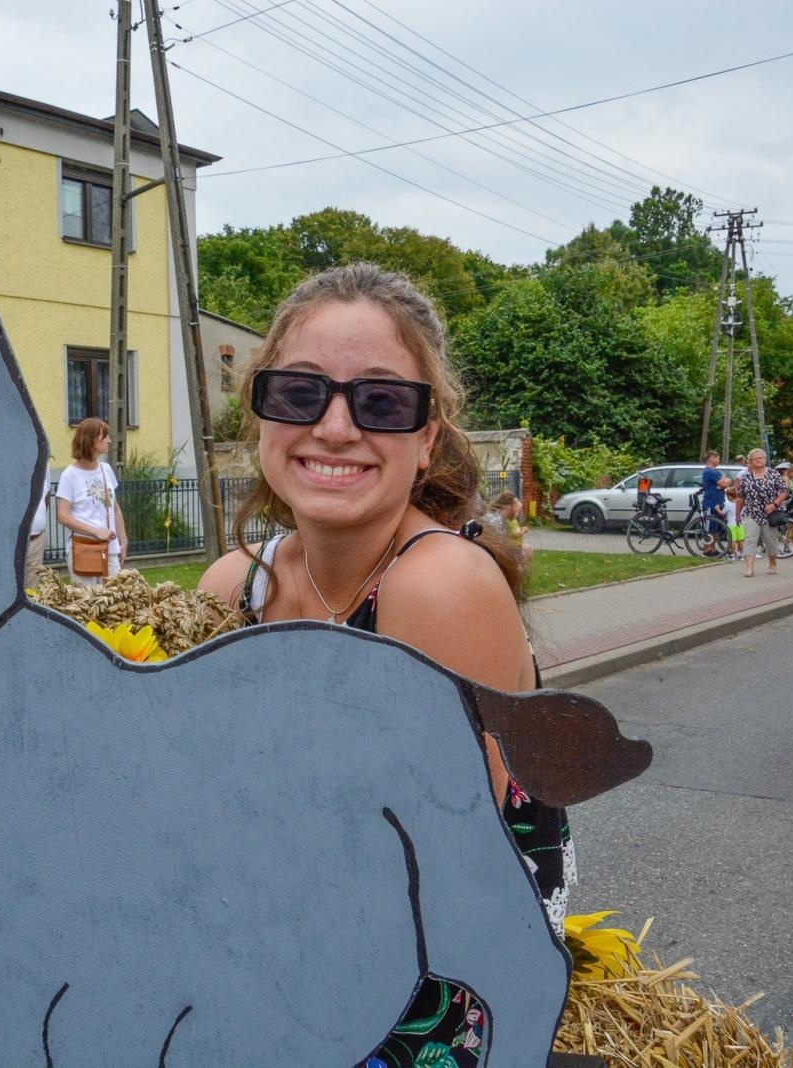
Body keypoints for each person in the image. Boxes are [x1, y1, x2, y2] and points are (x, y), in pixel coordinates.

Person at [199, 264, 569, 1067]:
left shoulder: (438, 585)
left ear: (427, 434)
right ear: (260, 413)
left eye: (380, 402)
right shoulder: (232, 586)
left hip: (428, 976)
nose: (334, 428)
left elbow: (428, 885)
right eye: (300, 393)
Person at [55, 417, 127, 586]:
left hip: (110, 548)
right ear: (91, 440)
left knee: (114, 603)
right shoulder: (70, 475)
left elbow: (115, 509)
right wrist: (96, 531)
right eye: (105, 436)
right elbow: (62, 516)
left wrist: (123, 542)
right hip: (84, 548)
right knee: (87, 604)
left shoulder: (106, 470)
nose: (109, 440)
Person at [737, 448, 789, 578]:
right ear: (750, 461)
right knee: (750, 539)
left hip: (769, 513)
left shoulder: (773, 474)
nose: (759, 460)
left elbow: (784, 491)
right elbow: (741, 497)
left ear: (765, 460)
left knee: (770, 541)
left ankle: (772, 562)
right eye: (755, 458)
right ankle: (749, 567)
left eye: (761, 458)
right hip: (751, 512)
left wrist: (775, 504)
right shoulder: (746, 477)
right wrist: (737, 514)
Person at [700, 451, 730, 556]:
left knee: (715, 529)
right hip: (711, 503)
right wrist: (723, 483)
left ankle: (713, 549)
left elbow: (726, 483)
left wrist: (724, 483)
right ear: (711, 458)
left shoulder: (716, 472)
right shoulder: (709, 472)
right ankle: (706, 549)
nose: (719, 460)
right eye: (718, 458)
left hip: (718, 503)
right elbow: (724, 483)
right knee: (708, 528)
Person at [25, 479, 51, 589]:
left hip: (36, 539)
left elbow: (46, 496)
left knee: (32, 590)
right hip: (9, 543)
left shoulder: (44, 465)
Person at [724, 481, 745, 560]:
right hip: (740, 523)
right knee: (741, 540)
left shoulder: (728, 505)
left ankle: (732, 555)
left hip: (731, 525)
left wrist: (717, 509)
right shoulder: (741, 503)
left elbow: (722, 513)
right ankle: (741, 554)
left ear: (730, 496)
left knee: (732, 540)